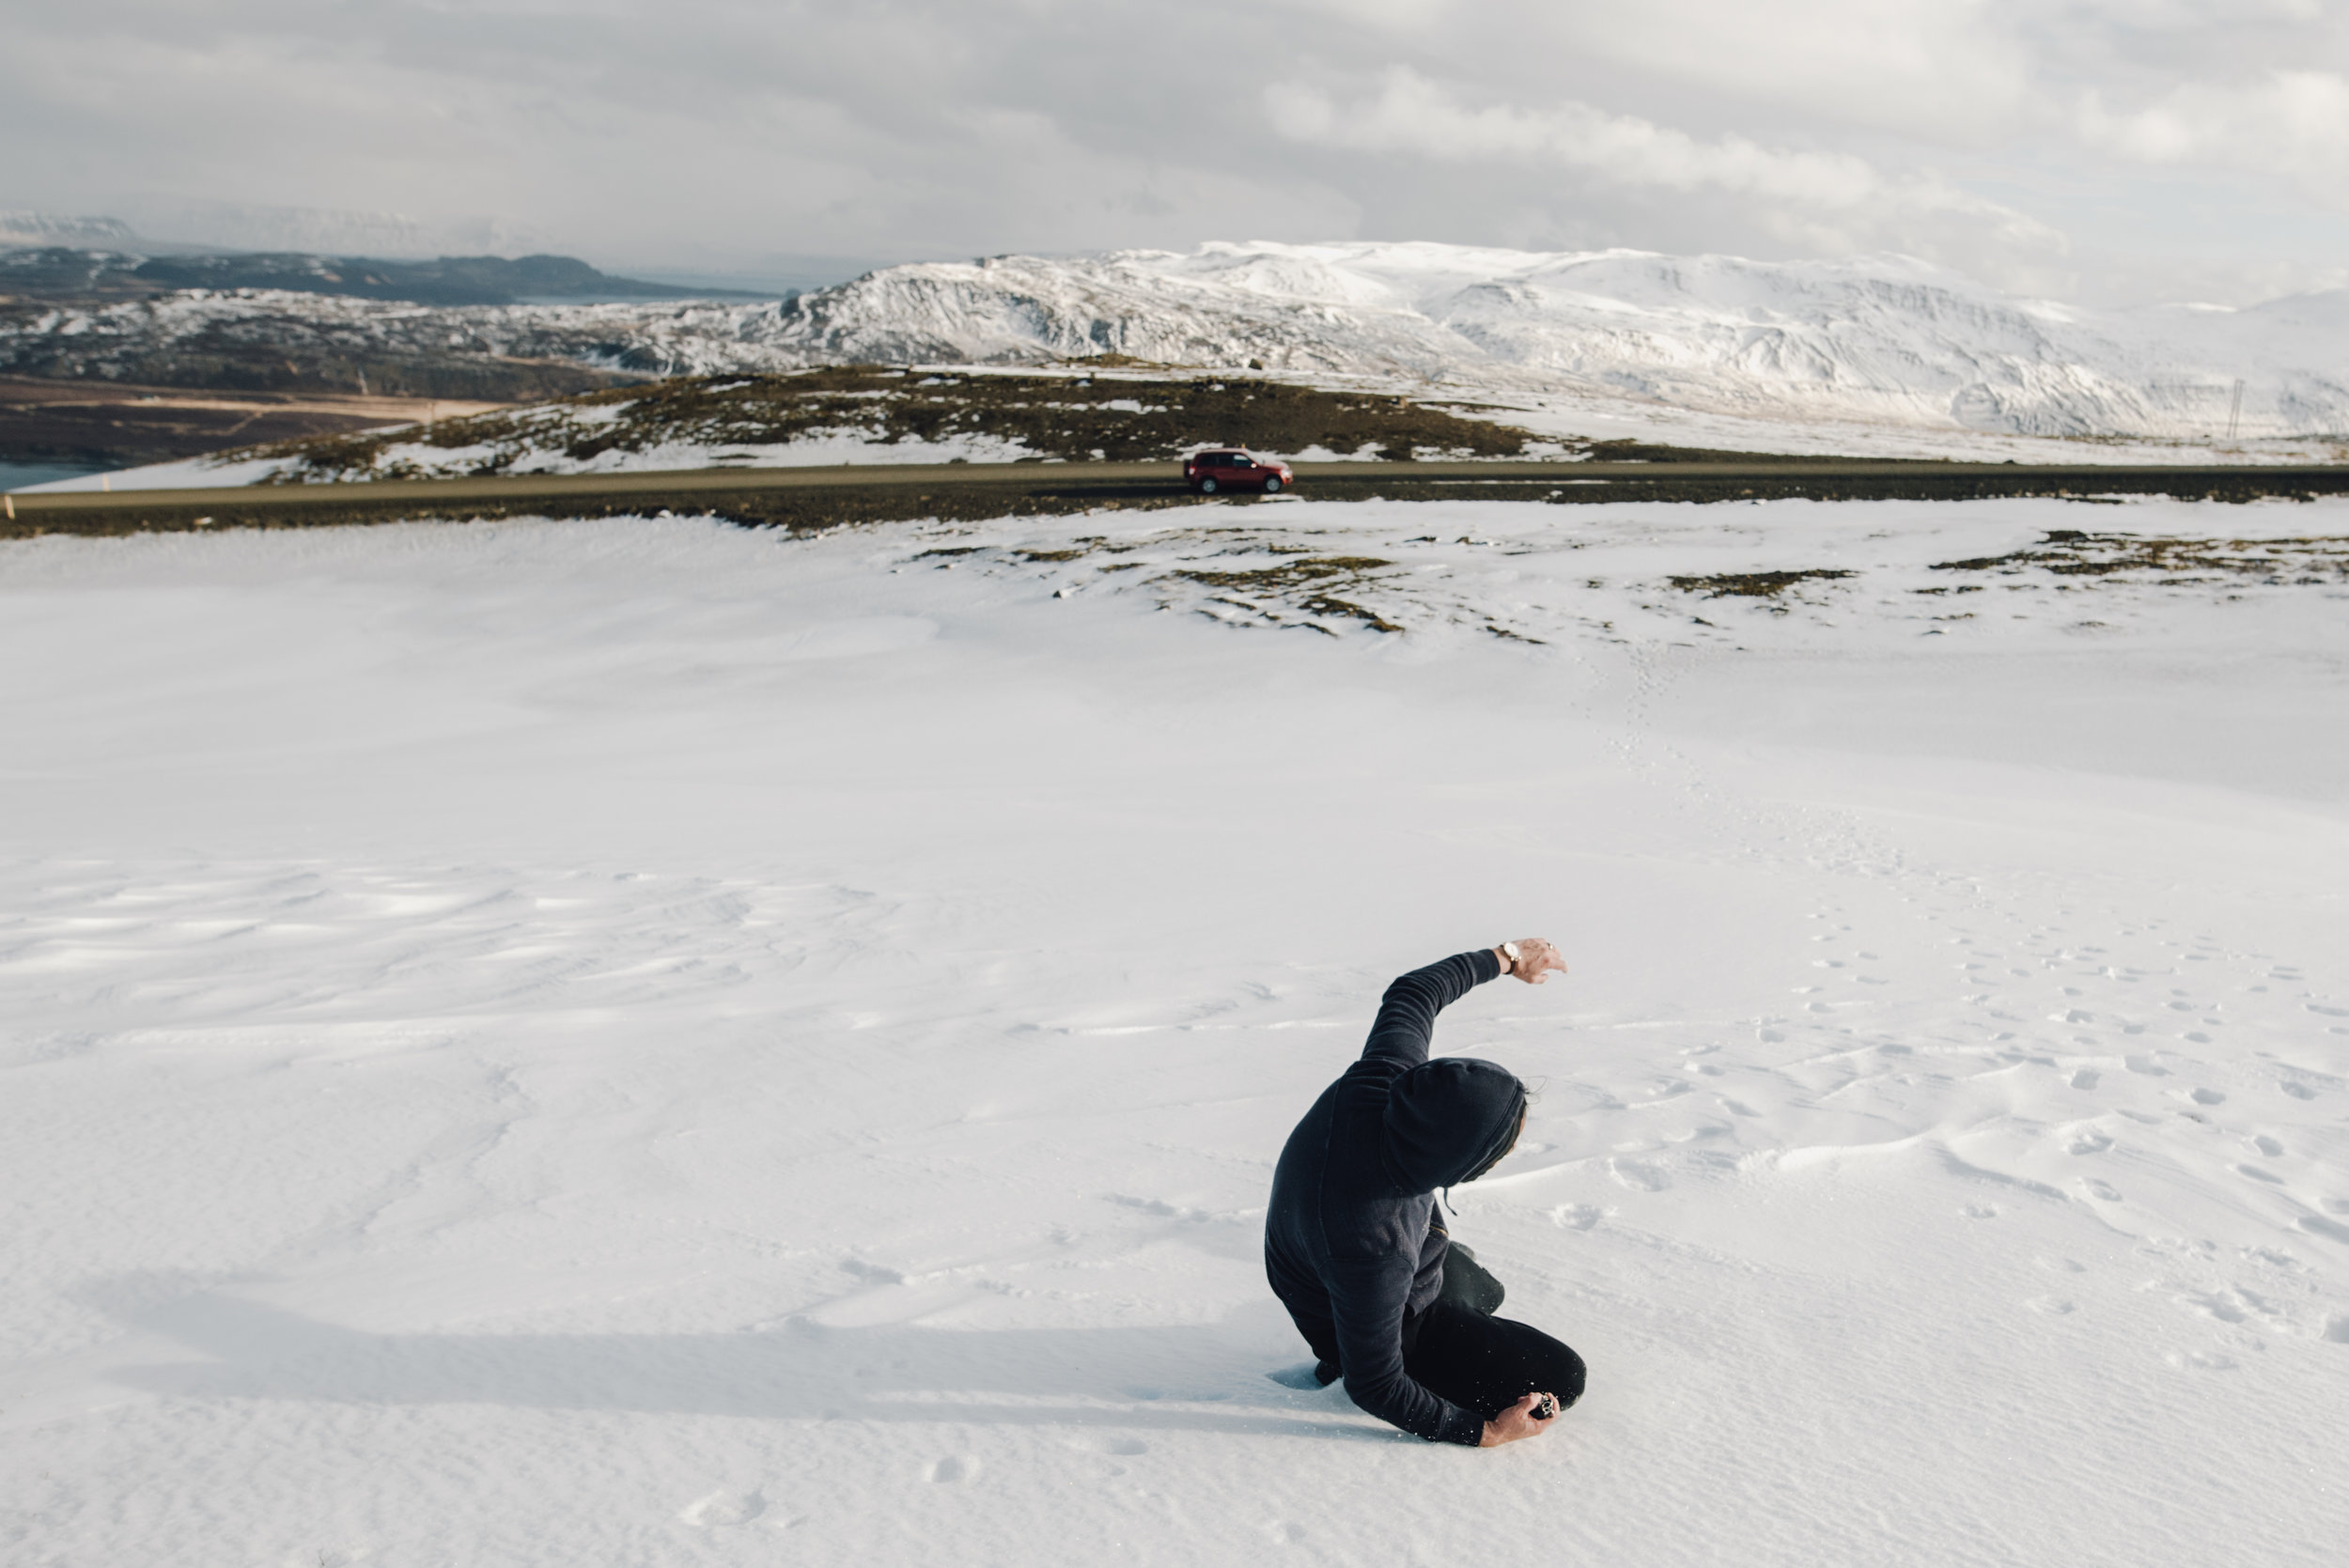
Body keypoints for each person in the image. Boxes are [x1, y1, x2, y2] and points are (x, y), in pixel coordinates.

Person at [1265, 939, 1586, 1447]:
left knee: (1486, 1291)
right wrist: (1481, 1431)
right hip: (1375, 1319)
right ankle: (1359, 1349)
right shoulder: (1376, 1247)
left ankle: (1447, 1303)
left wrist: (1507, 957)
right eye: (1498, 1150)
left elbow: (1413, 992)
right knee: (1561, 1377)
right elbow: (1373, 1384)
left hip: (1352, 1258)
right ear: (1457, 1162)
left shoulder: (1385, 1080)